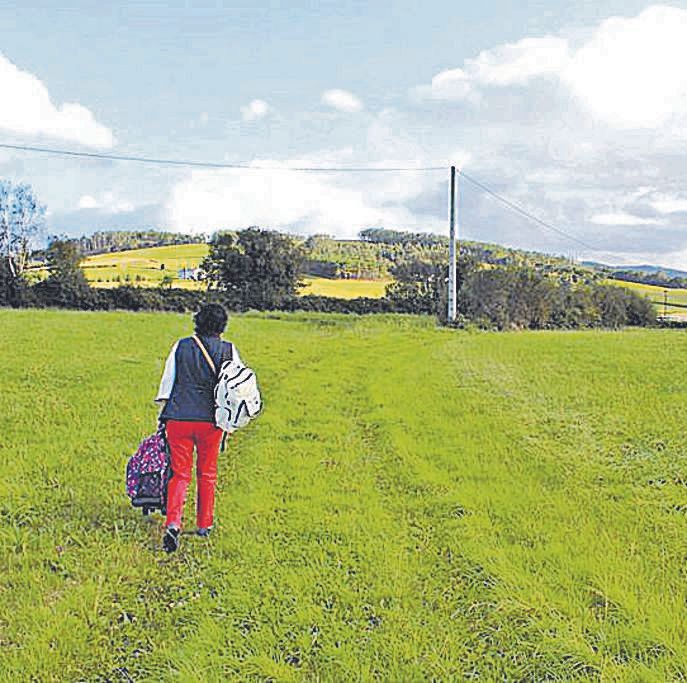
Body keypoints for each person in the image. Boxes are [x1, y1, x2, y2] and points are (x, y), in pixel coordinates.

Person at [155, 303, 241, 553]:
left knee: (179, 474)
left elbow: (167, 385)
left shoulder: (181, 346)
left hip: (178, 418)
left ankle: (173, 523)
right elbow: (235, 389)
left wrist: (164, 413)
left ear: (197, 321)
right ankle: (204, 524)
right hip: (211, 422)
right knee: (207, 473)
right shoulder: (229, 350)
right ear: (222, 326)